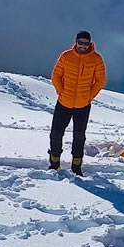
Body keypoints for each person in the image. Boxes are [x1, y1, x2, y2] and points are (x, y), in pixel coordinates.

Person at [49, 31, 106, 175]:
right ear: (76, 42)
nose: (83, 46)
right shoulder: (66, 56)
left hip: (83, 105)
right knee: (56, 133)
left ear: (90, 44)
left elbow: (100, 80)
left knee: (79, 136)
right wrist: (60, 91)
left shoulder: (96, 59)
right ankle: (54, 164)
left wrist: (89, 96)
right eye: (80, 43)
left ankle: (76, 167)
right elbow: (56, 75)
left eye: (86, 43)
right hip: (64, 102)